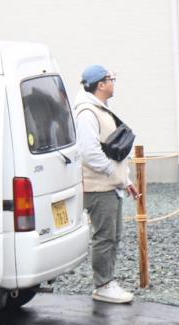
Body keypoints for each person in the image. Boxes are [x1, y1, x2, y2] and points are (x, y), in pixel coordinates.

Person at [74, 64, 139, 304]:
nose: (113, 83)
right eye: (111, 79)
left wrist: (125, 179)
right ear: (100, 84)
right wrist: (113, 173)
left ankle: (107, 281)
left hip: (109, 185)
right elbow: (89, 152)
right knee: (105, 236)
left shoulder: (97, 109)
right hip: (98, 186)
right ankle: (102, 284)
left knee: (113, 234)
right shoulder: (87, 112)